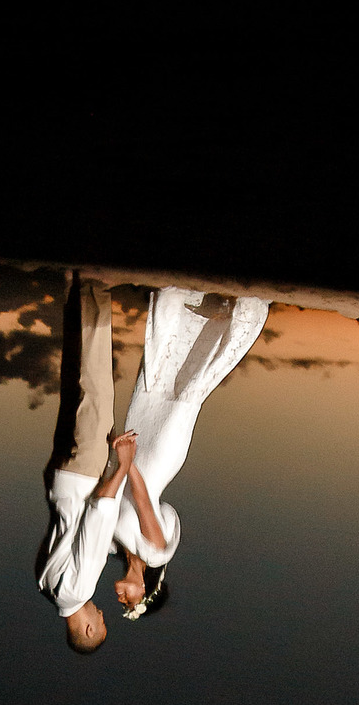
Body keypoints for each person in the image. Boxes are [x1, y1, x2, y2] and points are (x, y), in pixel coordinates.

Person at [112, 286, 270, 617]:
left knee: (151, 384)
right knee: (185, 393)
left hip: (130, 462)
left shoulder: (115, 548)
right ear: (144, 591)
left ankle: (176, 299)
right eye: (128, 602)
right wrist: (128, 464)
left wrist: (117, 462)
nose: (119, 599)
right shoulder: (155, 553)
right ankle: (236, 316)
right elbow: (143, 502)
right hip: (155, 459)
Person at [37, 273, 169, 651]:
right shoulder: (45, 588)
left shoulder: (78, 589)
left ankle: (95, 284)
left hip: (84, 477)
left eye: (101, 622)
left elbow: (97, 515)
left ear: (90, 629)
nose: (103, 614)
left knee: (95, 381)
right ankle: (74, 290)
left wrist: (124, 464)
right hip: (59, 480)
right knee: (73, 382)